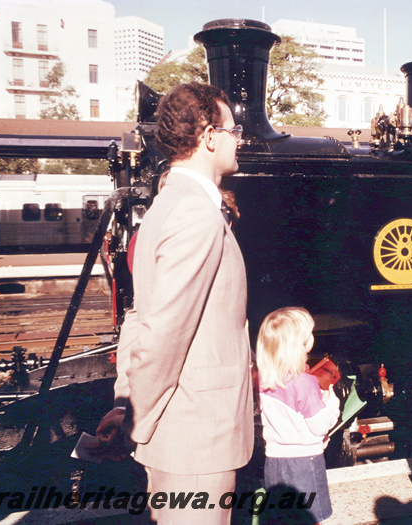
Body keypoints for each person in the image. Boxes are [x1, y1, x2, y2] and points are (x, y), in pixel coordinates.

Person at [92, 82, 254, 524]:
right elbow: (164, 333)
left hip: (181, 427)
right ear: (209, 137)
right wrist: (133, 424)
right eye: (234, 130)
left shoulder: (167, 205)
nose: (239, 139)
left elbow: (140, 317)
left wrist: (126, 399)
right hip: (195, 436)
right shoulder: (195, 214)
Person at [256, 307, 340, 524]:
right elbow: (320, 425)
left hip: (274, 462)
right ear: (299, 347)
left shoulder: (265, 379)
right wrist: (332, 403)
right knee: (309, 519)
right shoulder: (305, 382)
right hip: (304, 462)